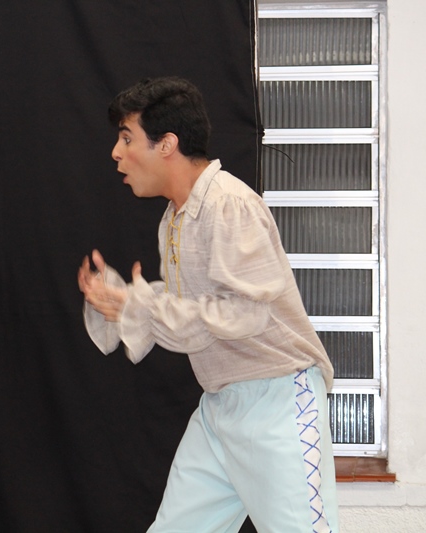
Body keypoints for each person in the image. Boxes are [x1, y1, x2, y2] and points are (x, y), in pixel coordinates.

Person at [77, 77, 339, 533]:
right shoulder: (175, 217)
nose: (116, 153)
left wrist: (142, 307)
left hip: (278, 401)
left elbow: (244, 312)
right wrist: (126, 303)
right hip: (220, 404)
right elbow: (196, 309)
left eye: (127, 138)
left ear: (167, 144)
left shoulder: (229, 204)